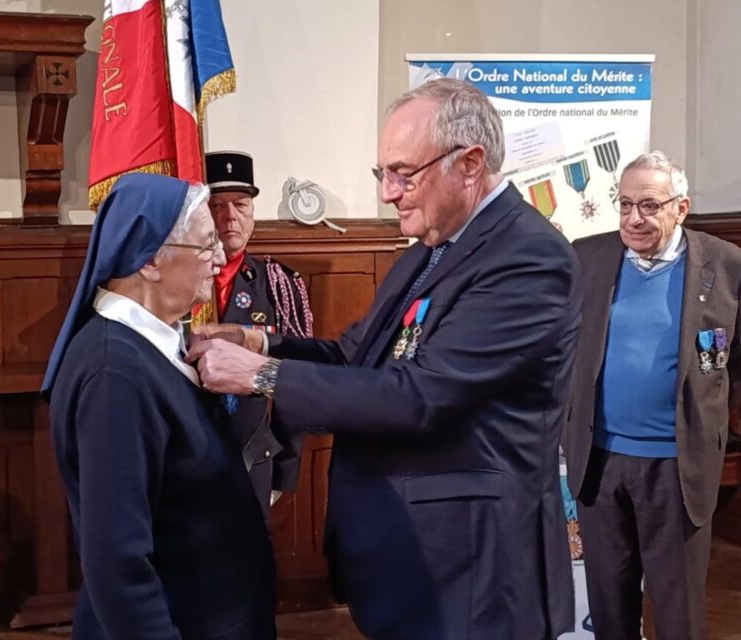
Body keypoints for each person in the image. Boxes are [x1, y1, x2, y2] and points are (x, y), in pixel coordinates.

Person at [187, 78, 578, 640]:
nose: (389, 193)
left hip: (474, 570)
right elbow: (358, 356)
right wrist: (261, 343)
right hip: (417, 560)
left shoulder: (528, 258)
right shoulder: (432, 247)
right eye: (383, 174)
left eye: (404, 174)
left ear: (470, 164)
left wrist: (261, 376)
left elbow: (420, 398)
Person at [41, 173, 276, 640]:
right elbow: (118, 564)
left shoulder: (154, 344)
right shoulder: (114, 375)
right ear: (150, 260)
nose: (220, 259)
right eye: (205, 246)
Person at [562, 151, 741, 640]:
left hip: (677, 467)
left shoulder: (726, 265)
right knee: (609, 609)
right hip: (599, 463)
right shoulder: (587, 257)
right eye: (624, 205)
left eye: (648, 205)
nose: (633, 218)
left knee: (678, 611)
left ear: (681, 208)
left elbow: (734, 360)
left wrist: (711, 416)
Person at [194, 150, 312, 517]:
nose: (230, 216)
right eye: (217, 205)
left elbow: (296, 382)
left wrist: (285, 469)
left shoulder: (278, 285)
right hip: (187, 458)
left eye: (241, 205)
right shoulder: (178, 283)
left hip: (253, 456)